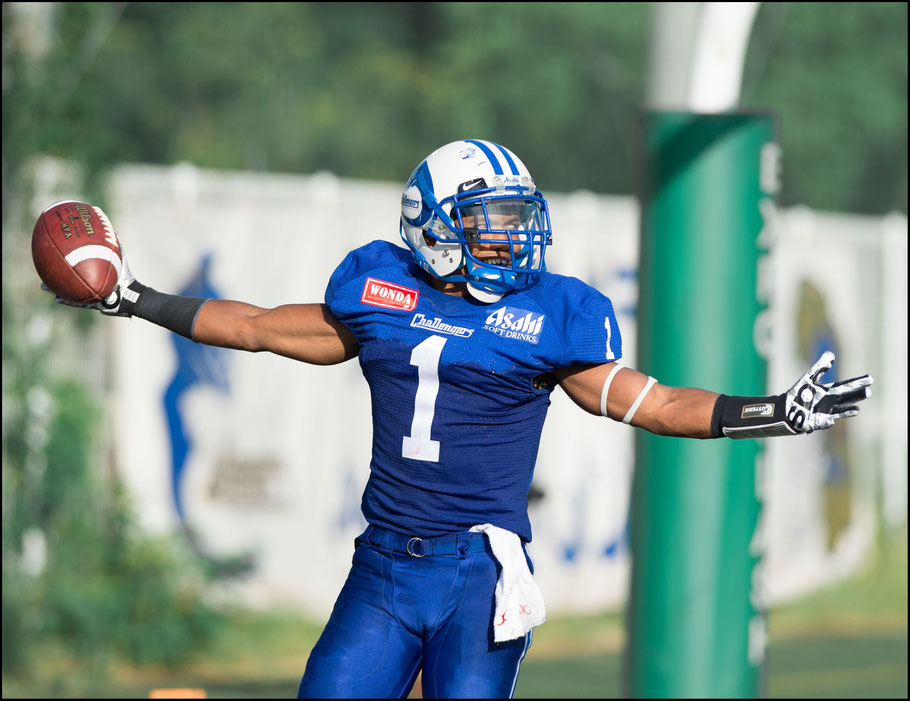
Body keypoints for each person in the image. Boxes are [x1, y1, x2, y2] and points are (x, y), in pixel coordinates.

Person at [45, 139, 873, 698]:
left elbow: (653, 402)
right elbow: (258, 326)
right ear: (434, 227)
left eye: (518, 218)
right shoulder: (379, 289)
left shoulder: (554, 315)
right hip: (383, 568)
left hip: (480, 574)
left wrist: (771, 413)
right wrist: (134, 298)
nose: (515, 238)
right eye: (493, 222)